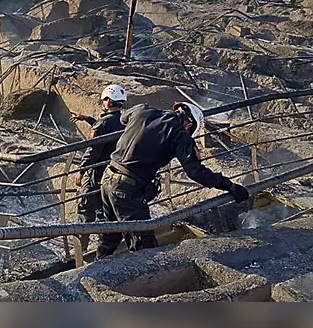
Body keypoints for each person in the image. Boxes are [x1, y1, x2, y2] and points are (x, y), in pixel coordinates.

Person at [96, 101, 250, 258]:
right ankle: (150, 281)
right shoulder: (179, 134)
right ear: (189, 125)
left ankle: (98, 267)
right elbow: (195, 171)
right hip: (127, 189)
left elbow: (123, 118)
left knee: (110, 237)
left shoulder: (143, 109)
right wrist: (229, 186)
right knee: (144, 249)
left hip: (108, 178)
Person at [70, 84, 127, 251]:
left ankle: (81, 249)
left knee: (86, 206)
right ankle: (106, 244)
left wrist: (81, 170)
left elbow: (93, 150)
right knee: (105, 207)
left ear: (108, 101)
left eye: (105, 99)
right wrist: (87, 119)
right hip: (113, 170)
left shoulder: (102, 124)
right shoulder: (123, 120)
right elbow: (108, 129)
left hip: (96, 171)